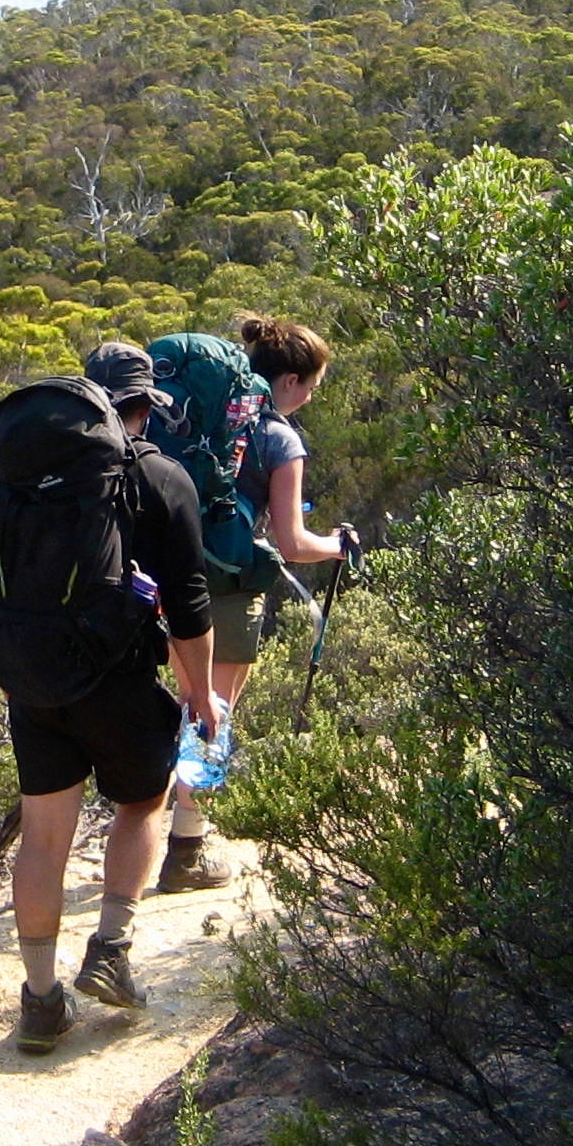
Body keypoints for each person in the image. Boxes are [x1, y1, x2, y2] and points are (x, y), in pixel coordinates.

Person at [0, 342, 218, 1053]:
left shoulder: (19, 476)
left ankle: (39, 1001)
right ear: (144, 405)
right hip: (118, 677)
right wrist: (200, 696)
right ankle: (111, 950)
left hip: (33, 678)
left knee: (44, 837)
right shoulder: (160, 476)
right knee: (141, 801)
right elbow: (189, 607)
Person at [160, 313, 358, 893]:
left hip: (165, 579)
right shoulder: (277, 438)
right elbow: (295, 544)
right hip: (226, 591)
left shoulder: (202, 420)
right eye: (312, 387)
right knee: (211, 712)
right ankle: (188, 850)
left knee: (181, 703)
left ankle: (154, 826)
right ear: (291, 380)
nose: (309, 399)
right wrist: (338, 547)